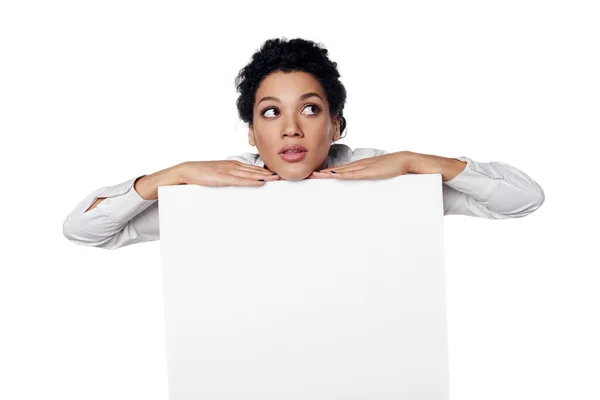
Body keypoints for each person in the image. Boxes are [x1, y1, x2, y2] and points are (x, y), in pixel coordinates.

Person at [63, 37, 545, 250]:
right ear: (251, 131)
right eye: (270, 112)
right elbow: (84, 231)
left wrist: (416, 162)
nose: (290, 128)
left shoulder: (386, 176)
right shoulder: (210, 192)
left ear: (336, 125)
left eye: (310, 109)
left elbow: (523, 200)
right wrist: (173, 175)